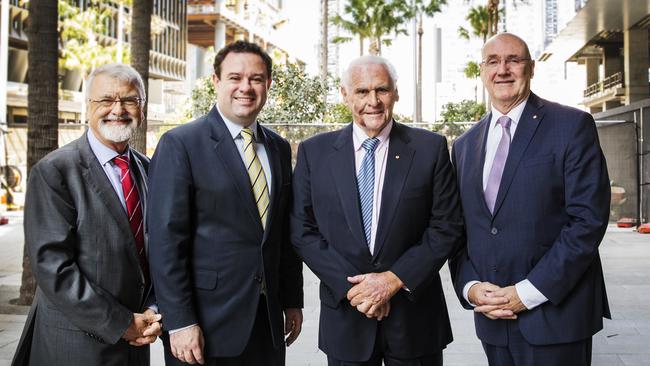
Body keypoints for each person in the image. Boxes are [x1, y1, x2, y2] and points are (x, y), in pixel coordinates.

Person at [291, 55, 464, 366]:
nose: (373, 101)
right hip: (347, 317)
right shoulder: (313, 153)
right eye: (361, 91)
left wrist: (393, 280)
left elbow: (446, 225)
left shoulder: (430, 149)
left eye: (382, 90)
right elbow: (303, 231)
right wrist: (357, 291)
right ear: (345, 95)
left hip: (415, 320)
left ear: (396, 93)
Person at [450, 32, 611, 366]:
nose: (503, 69)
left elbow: (587, 222)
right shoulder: (465, 145)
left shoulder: (572, 125)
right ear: (482, 71)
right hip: (493, 321)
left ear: (531, 68)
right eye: (493, 61)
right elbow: (460, 228)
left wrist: (525, 294)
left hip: (556, 317)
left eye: (514, 60)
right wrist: (471, 287)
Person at [147, 40, 303, 366]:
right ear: (216, 81)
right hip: (203, 327)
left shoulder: (277, 147)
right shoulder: (181, 144)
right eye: (235, 77)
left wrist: (291, 300)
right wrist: (179, 321)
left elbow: (282, 236)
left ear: (268, 85)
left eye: (256, 79)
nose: (245, 87)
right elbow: (165, 243)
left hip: (266, 324)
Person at [12, 63, 162, 366]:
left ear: (142, 108)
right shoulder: (54, 172)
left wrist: (154, 310)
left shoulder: (149, 170)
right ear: (87, 107)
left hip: (136, 343)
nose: (117, 109)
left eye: (130, 100)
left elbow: (156, 250)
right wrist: (122, 324)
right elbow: (54, 268)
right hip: (75, 345)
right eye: (106, 100)